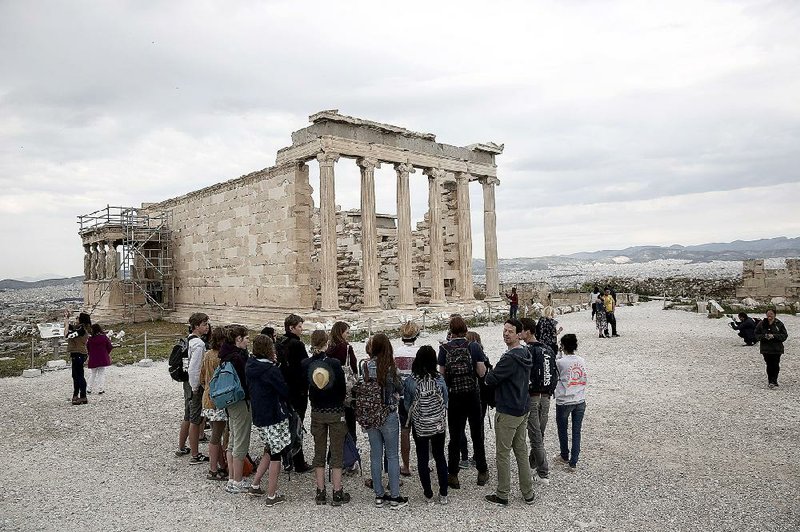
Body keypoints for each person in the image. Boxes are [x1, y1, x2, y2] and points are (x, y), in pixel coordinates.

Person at [483, 319, 535, 506]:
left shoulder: (509, 358)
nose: (506, 334)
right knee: (521, 451)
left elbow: (491, 379)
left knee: (503, 454)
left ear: (519, 334)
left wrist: (484, 371)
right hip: (522, 407)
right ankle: (528, 492)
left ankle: (503, 494)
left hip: (508, 410)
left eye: (510, 331)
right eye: (504, 330)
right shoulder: (526, 353)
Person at [438, 315, 489, 489]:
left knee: (455, 436)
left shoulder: (444, 348)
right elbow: (482, 373)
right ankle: (482, 471)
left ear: (450, 331)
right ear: (466, 330)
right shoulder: (473, 346)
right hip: (472, 395)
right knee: (477, 434)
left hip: (455, 396)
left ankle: (453, 474)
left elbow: (442, 375)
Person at [303, 331, 352, 506]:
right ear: (327, 343)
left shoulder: (306, 364)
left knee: (319, 451)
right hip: (335, 410)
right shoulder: (334, 363)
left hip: (317, 410)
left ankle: (320, 491)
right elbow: (342, 389)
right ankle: (337, 491)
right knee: (337, 452)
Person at [362, 333, 408, 509]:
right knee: (392, 455)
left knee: (375, 455)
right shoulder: (391, 367)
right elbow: (400, 388)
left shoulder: (366, 366)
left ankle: (379, 495)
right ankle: (395, 496)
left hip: (372, 414)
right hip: (388, 414)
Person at [246, 334, 290, 506]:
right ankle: (272, 495)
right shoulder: (271, 370)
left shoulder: (251, 365)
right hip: (273, 415)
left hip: (259, 414)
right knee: (276, 454)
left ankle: (255, 484)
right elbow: (284, 391)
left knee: (269, 450)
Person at [403, 345, 449, 505]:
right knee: (440, 456)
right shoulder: (439, 379)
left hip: (420, 425)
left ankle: (428, 494)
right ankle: (443, 493)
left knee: (422, 458)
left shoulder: (411, 381)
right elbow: (445, 401)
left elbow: (407, 405)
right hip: (437, 423)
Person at [519, 318, 556, 486]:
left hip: (533, 397)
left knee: (536, 438)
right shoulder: (548, 349)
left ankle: (543, 473)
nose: (519, 334)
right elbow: (553, 373)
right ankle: (532, 463)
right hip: (546, 397)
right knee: (539, 434)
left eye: (521, 330)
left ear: (528, 331)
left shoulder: (527, 351)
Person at [220, 325, 252, 494]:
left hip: (230, 402)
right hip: (241, 401)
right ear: (238, 339)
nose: (248, 341)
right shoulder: (238, 358)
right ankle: (237, 481)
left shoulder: (225, 355)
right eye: (246, 338)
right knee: (240, 441)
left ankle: (233, 478)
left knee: (233, 440)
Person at [280, 314, 313, 473]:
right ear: (291, 328)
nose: (302, 329)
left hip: (285, 390)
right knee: (297, 424)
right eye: (299, 326)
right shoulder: (297, 345)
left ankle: (287, 459)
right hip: (298, 390)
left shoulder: (280, 342)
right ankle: (299, 462)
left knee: (287, 424)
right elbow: (304, 366)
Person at [554, 334, 587, 471]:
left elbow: (556, 376)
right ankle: (574, 461)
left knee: (563, 429)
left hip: (565, 399)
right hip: (580, 398)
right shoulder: (581, 360)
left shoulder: (560, 362)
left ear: (562, 346)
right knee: (576, 431)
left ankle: (564, 455)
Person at [200, 327, 228, 481]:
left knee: (217, 433)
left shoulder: (207, 355)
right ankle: (212, 469)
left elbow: (202, 377)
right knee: (217, 436)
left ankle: (221, 464)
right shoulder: (220, 358)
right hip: (218, 400)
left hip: (208, 397)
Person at [394, 321, 420, 477]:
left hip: (402, 396)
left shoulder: (396, 353)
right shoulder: (420, 352)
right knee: (421, 431)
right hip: (418, 396)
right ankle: (423, 462)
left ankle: (405, 464)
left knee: (405, 430)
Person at [325, 322, 358, 442]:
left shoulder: (329, 348)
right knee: (350, 420)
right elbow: (354, 367)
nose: (348, 335)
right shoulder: (346, 347)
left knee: (336, 422)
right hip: (346, 388)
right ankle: (351, 450)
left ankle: (332, 453)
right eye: (347, 332)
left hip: (332, 387)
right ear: (341, 333)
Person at [186, 313, 210, 464]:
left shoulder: (191, 340)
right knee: (194, 419)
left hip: (194, 384)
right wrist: (196, 386)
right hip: (197, 386)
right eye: (204, 324)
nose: (207, 327)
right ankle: (195, 454)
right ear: (196, 326)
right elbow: (194, 368)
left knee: (194, 418)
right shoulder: (199, 344)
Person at [754, 309, 788, 389]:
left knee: (775, 364)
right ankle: (770, 381)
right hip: (766, 348)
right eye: (768, 314)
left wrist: (774, 336)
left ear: (775, 315)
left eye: (771, 314)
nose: (770, 315)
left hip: (777, 348)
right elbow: (756, 334)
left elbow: (784, 335)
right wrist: (764, 337)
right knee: (769, 364)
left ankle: (774, 380)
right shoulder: (761, 323)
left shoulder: (779, 324)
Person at [64, 310, 91, 405]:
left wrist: (67, 325)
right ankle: (76, 395)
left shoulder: (81, 330)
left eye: (77, 318)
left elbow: (67, 335)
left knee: (79, 376)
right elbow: (68, 327)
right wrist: (66, 318)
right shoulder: (79, 328)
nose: (76, 319)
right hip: (76, 354)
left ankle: (82, 396)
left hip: (79, 353)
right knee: (75, 376)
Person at [86, 323, 113, 395]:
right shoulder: (104, 337)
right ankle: (101, 389)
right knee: (101, 374)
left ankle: (89, 388)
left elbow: (87, 348)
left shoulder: (90, 339)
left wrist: (90, 354)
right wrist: (106, 353)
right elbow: (110, 347)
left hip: (93, 359)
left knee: (93, 374)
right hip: (102, 358)